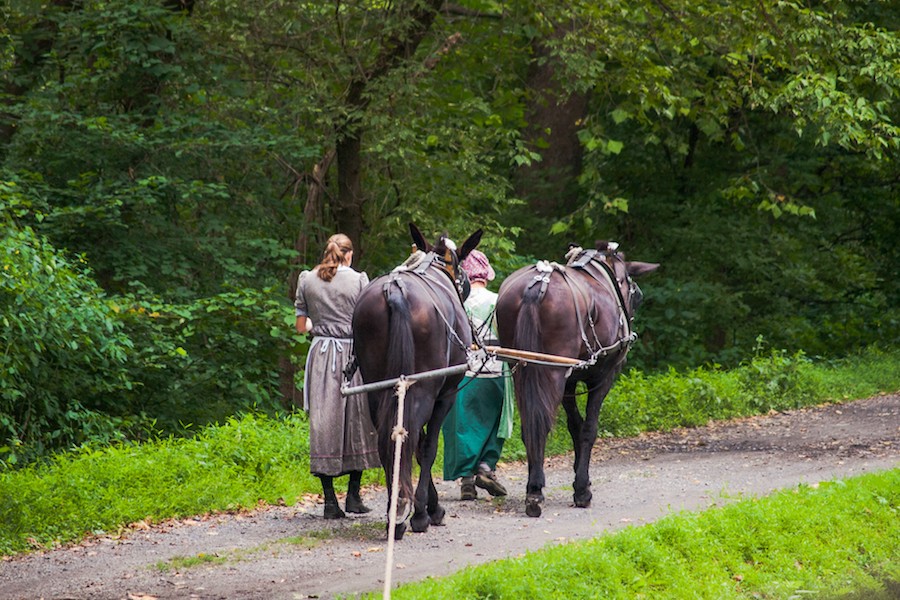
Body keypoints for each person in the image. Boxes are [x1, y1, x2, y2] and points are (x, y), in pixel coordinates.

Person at [295, 233, 380, 519]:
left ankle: (330, 502)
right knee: (358, 420)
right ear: (350, 254)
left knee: (325, 423)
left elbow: (300, 326)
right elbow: (368, 323)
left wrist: (317, 324)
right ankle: (353, 495)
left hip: (320, 355)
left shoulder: (307, 279)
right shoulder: (359, 280)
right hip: (353, 356)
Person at [442, 250, 514, 500]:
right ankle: (485, 466)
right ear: (485, 273)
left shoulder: (454, 301)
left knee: (463, 424)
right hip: (495, 371)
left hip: (463, 372)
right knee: (493, 420)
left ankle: (467, 482)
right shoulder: (499, 301)